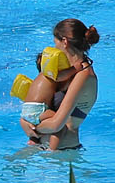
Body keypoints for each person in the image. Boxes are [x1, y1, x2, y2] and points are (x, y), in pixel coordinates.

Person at [24, 20, 100, 150]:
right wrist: (26, 122)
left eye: (55, 43)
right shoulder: (66, 71)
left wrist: (33, 128)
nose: (54, 48)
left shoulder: (84, 75)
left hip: (63, 152)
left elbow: (56, 124)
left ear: (64, 42)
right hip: (45, 148)